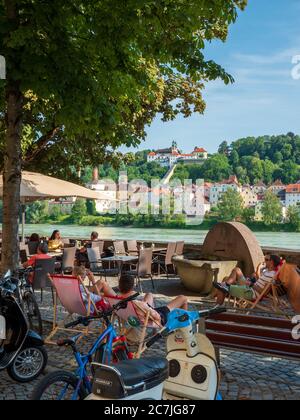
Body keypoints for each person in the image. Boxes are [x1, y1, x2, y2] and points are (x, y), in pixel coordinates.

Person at [98, 274, 188, 326]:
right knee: (183, 298)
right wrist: (151, 310)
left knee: (149, 294)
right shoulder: (136, 303)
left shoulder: (115, 300)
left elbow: (105, 292)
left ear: (119, 285)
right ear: (132, 286)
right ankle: (184, 325)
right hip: (152, 316)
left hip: (140, 313)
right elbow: (156, 317)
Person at [213, 254, 282, 306]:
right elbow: (259, 282)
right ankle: (226, 285)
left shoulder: (271, 275)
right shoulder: (267, 271)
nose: (265, 261)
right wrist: (253, 280)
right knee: (237, 270)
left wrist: (251, 284)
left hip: (251, 292)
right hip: (249, 288)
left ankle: (216, 309)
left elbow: (264, 292)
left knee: (221, 288)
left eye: (267, 260)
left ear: (271, 262)